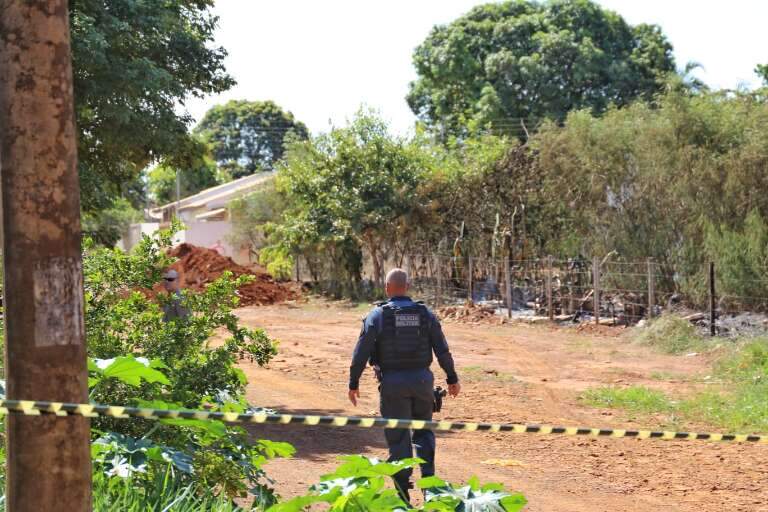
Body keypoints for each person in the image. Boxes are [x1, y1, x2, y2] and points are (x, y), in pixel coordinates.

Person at [348, 268, 460, 502]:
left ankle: (402, 495)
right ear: (407, 287)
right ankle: (430, 489)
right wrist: (452, 378)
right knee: (424, 434)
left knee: (399, 438)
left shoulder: (377, 315)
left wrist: (353, 381)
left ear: (387, 288)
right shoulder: (425, 314)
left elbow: (362, 351)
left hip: (393, 384)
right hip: (422, 382)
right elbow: (442, 348)